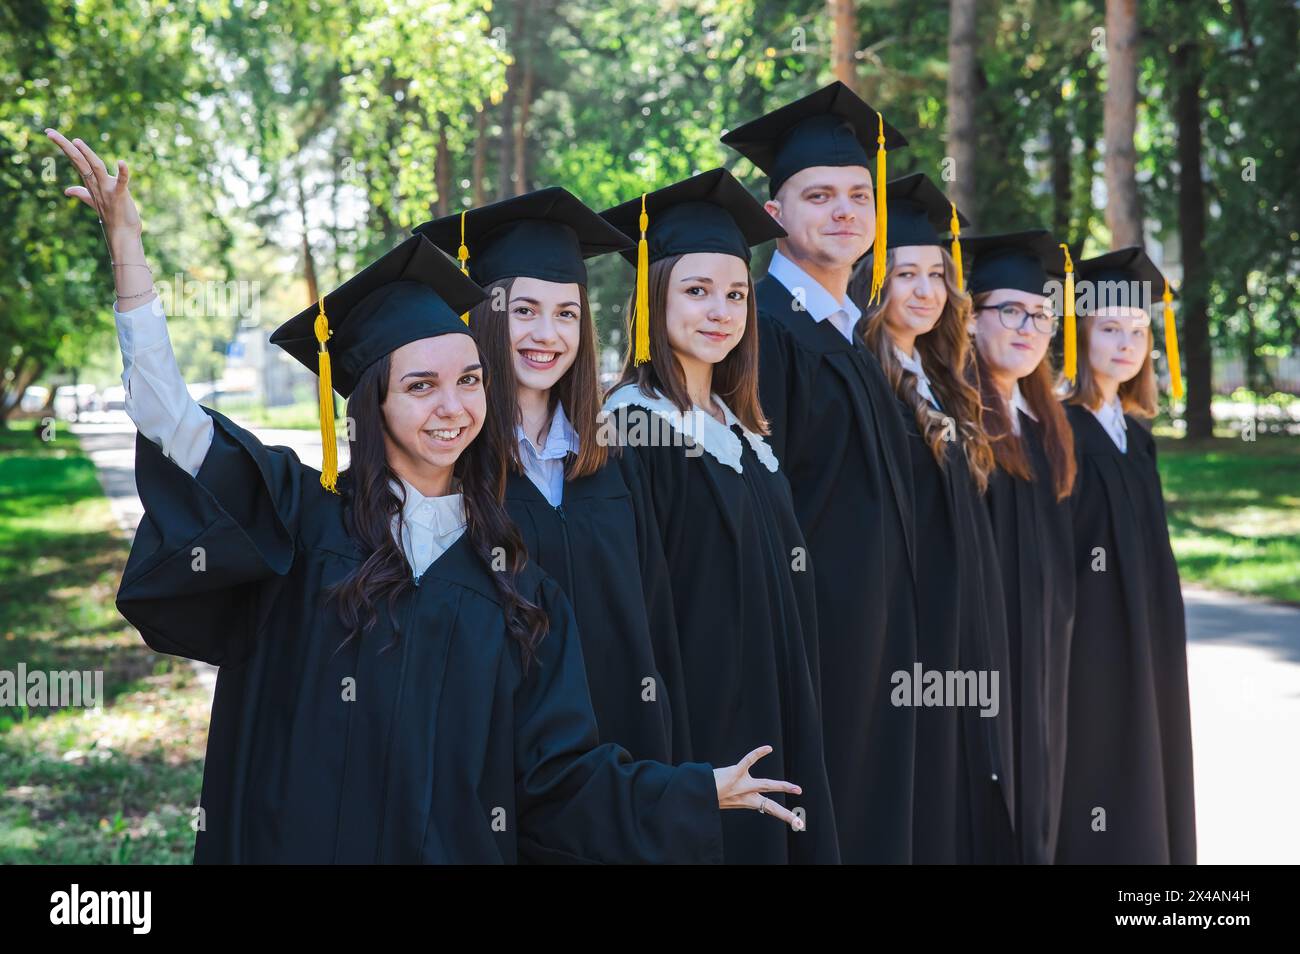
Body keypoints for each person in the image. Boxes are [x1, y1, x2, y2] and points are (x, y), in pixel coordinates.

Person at [47, 128, 804, 864]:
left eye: (469, 381)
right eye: (420, 386)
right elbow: (170, 419)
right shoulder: (304, 522)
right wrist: (130, 259)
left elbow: (557, 776)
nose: (452, 407)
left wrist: (693, 791)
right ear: (370, 405)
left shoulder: (515, 585)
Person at [600, 168, 840, 863]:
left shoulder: (742, 433)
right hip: (699, 736)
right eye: (696, 291)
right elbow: (633, 616)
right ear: (653, 298)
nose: (721, 311)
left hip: (773, 715)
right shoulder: (632, 431)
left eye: (736, 293)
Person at [414, 189, 687, 764]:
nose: (548, 334)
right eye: (524, 311)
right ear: (485, 315)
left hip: (626, 748)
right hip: (505, 758)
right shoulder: (454, 467)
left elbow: (655, 613)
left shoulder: (614, 457)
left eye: (567, 313)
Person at [721, 82, 921, 862]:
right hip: (818, 639)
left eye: (857, 195)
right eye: (818, 195)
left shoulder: (849, 332)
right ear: (775, 216)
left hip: (877, 636)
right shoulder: (764, 332)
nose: (844, 210)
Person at [847, 174, 1015, 863]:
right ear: (873, 283)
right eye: (904, 273)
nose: (923, 290)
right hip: (905, 637)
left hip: (956, 634)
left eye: (936, 276)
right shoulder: (864, 377)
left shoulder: (947, 381)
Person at [1056, 244, 1196, 864]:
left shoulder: (1136, 433)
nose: (1126, 344)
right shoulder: (1058, 426)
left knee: (1153, 746)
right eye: (1109, 328)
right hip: (1091, 634)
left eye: (1137, 331)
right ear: (1079, 335)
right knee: (1102, 752)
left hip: (1149, 628)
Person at [965, 228, 1078, 864]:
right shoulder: (961, 418)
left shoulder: (1046, 426)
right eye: (1009, 310)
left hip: (1043, 650)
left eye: (1040, 314)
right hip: (988, 649)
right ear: (971, 317)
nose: (1027, 326)